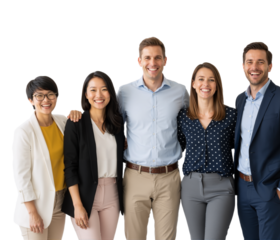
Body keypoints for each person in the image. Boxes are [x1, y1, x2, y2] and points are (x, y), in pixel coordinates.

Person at [234, 41, 280, 240]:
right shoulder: (240, 100)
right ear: (243, 66)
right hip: (242, 187)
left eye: (260, 62)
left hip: (271, 189)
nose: (254, 67)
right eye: (249, 62)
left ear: (270, 66)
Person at [117, 36, 189, 240]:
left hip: (169, 177)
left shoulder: (180, 91)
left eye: (158, 57)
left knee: (167, 238)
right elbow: (110, 126)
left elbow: (190, 126)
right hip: (134, 176)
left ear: (166, 60)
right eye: (147, 58)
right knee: (134, 237)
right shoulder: (124, 92)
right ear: (138, 61)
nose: (153, 63)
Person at [61, 71, 124, 240]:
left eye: (104, 89)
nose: (99, 95)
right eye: (93, 90)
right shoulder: (76, 123)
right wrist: (77, 205)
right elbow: (70, 167)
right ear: (86, 94)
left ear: (110, 92)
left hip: (113, 194)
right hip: (84, 196)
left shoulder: (117, 123)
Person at [177, 62, 237, 239]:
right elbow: (175, 146)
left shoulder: (231, 116)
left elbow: (243, 147)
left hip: (221, 187)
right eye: (201, 79)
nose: (206, 84)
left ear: (217, 85)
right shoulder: (183, 116)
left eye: (211, 80)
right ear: (193, 83)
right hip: (190, 186)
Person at [11, 75, 68, 240]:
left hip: (59, 202)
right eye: (39, 95)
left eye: (51, 94)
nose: (46, 99)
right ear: (30, 99)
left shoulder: (63, 122)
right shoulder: (23, 131)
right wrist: (32, 212)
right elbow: (21, 176)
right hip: (35, 205)